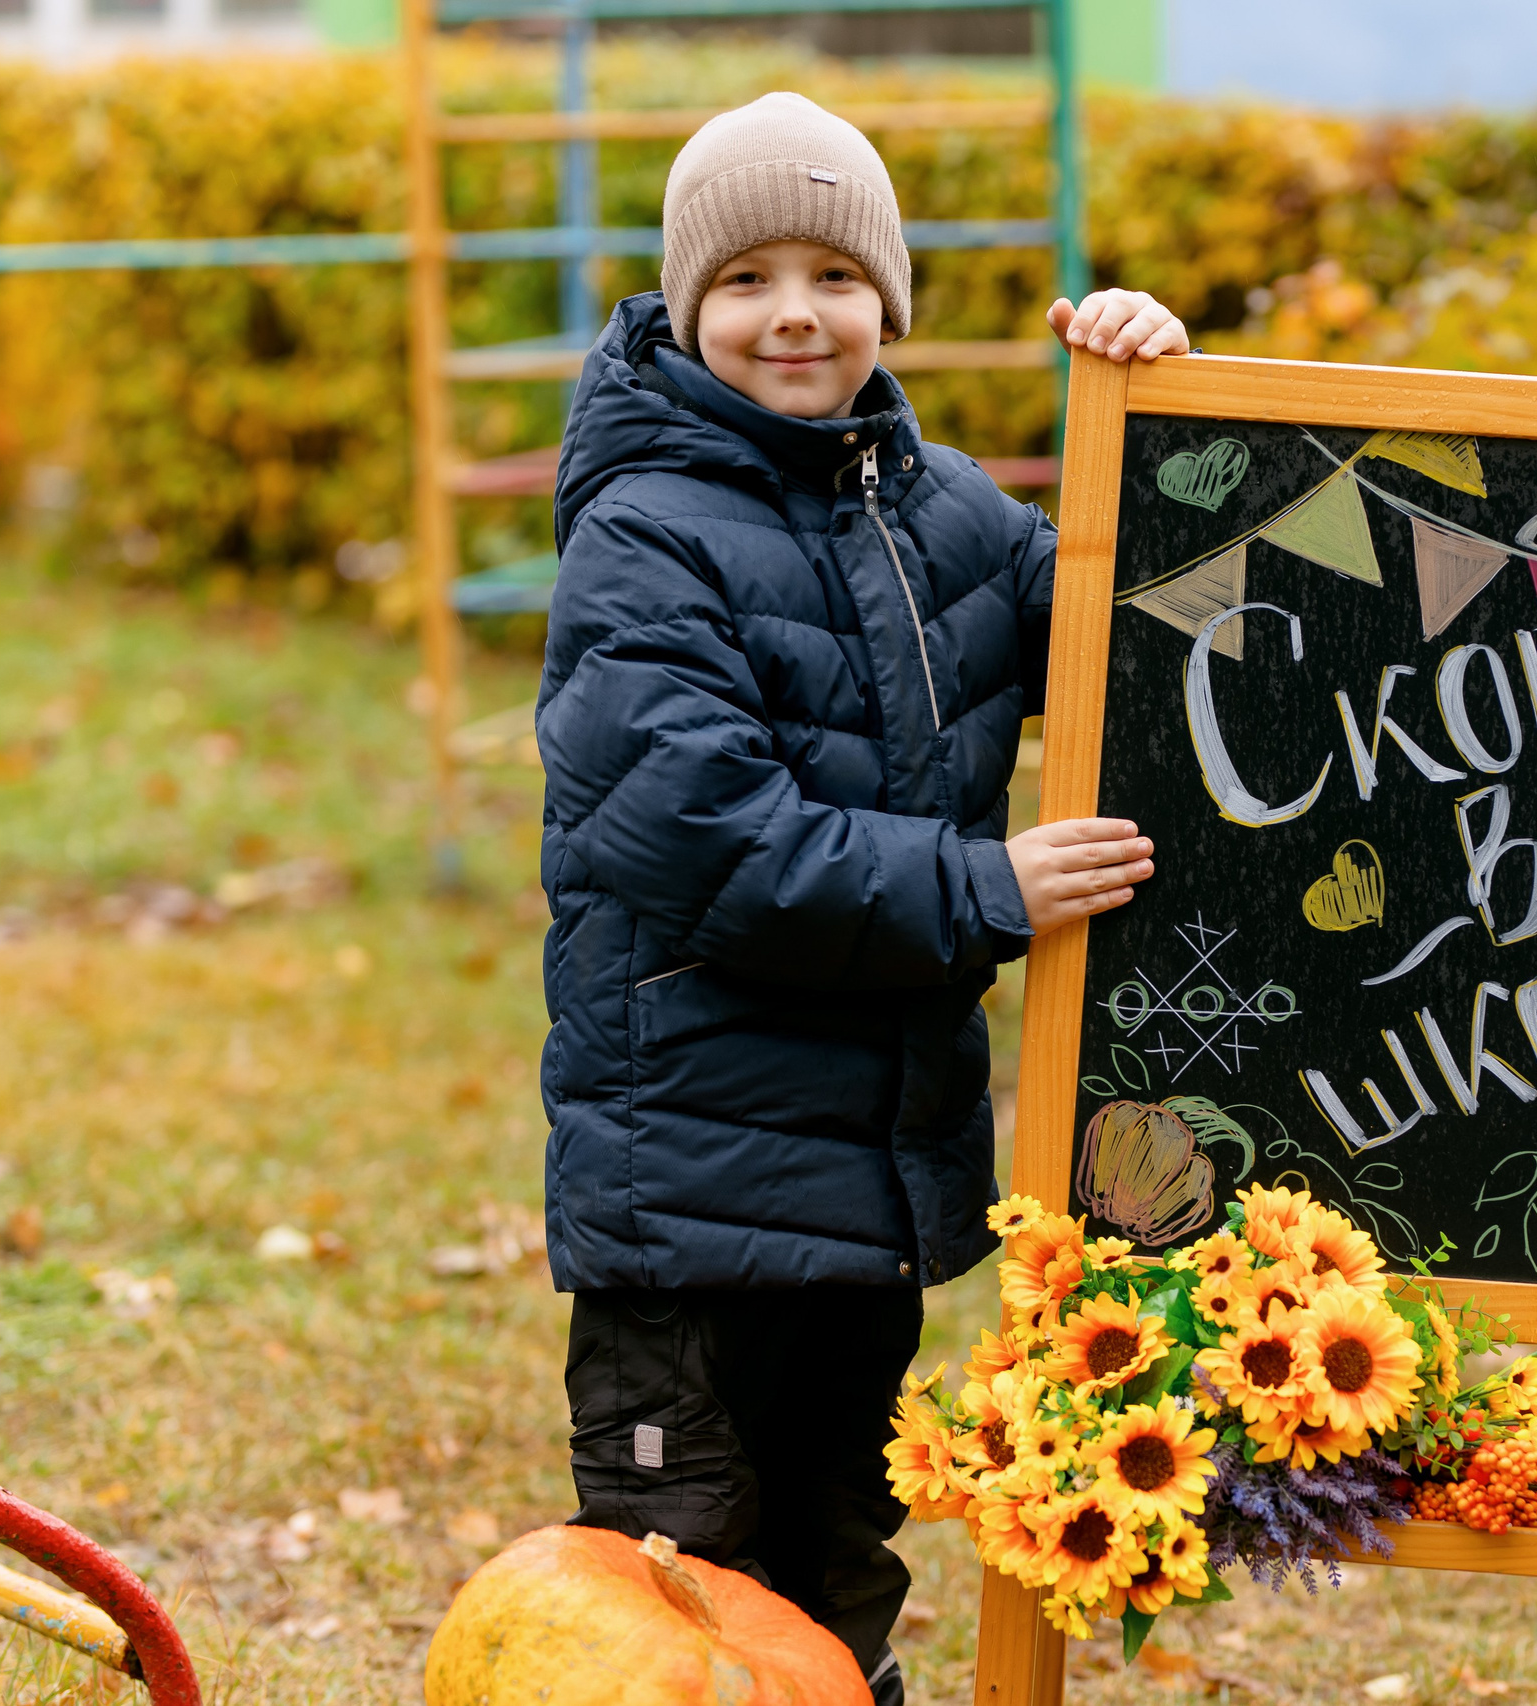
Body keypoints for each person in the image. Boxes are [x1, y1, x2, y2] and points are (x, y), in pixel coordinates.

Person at [533, 91, 1184, 1704]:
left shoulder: (936, 507)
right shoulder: (642, 534)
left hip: (867, 1183)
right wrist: (986, 885)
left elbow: (1144, 610)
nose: (794, 313)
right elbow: (704, 837)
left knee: (839, 1549)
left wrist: (1153, 396)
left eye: (834, 272)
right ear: (688, 305)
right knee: (676, 1577)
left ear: (889, 298)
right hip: (682, 1188)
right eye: (745, 278)